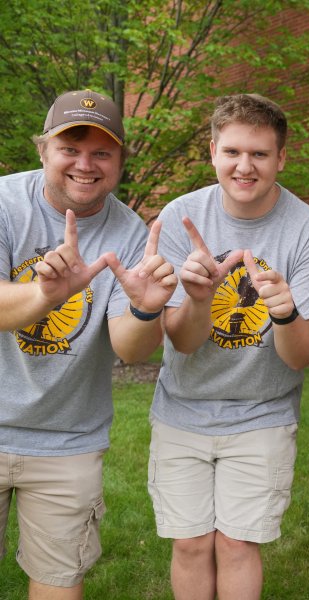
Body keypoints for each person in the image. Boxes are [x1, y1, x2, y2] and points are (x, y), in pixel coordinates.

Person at [148, 93, 309, 600]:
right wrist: (198, 300)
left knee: (235, 545)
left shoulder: (308, 229)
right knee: (189, 544)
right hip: (182, 409)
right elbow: (183, 342)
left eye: (258, 154)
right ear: (213, 152)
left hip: (263, 413)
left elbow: (299, 357)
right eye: (232, 152)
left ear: (281, 158)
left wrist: (285, 310)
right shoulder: (181, 217)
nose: (244, 166)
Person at [0, 89, 176, 600]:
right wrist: (44, 294)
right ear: (43, 151)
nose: (85, 164)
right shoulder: (6, 203)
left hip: (68, 442)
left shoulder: (128, 231)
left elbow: (129, 349)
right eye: (70, 148)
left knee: (58, 585)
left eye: (102, 152)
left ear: (120, 161)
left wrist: (146, 308)